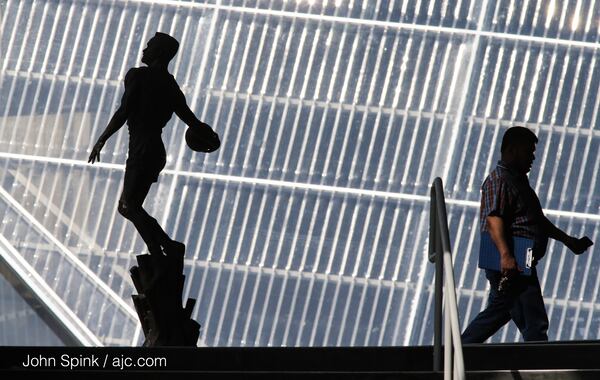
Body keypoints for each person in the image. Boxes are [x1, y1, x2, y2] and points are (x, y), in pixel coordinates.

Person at [88, 32, 218, 256]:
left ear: (160, 52)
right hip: (155, 151)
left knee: (129, 206)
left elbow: (124, 111)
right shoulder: (170, 85)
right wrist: (208, 138)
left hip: (142, 148)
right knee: (128, 206)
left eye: (149, 46)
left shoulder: (137, 76)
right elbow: (190, 118)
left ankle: (164, 248)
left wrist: (102, 139)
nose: (144, 50)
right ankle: (161, 249)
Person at [461, 126, 593, 343]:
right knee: (534, 322)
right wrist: (506, 256)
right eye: (528, 152)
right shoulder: (499, 180)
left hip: (520, 259)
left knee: (500, 310)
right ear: (512, 150)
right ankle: (539, 366)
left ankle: (460, 350)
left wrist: (568, 241)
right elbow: (493, 219)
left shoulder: (517, 182)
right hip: (513, 260)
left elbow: (536, 221)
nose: (532, 158)